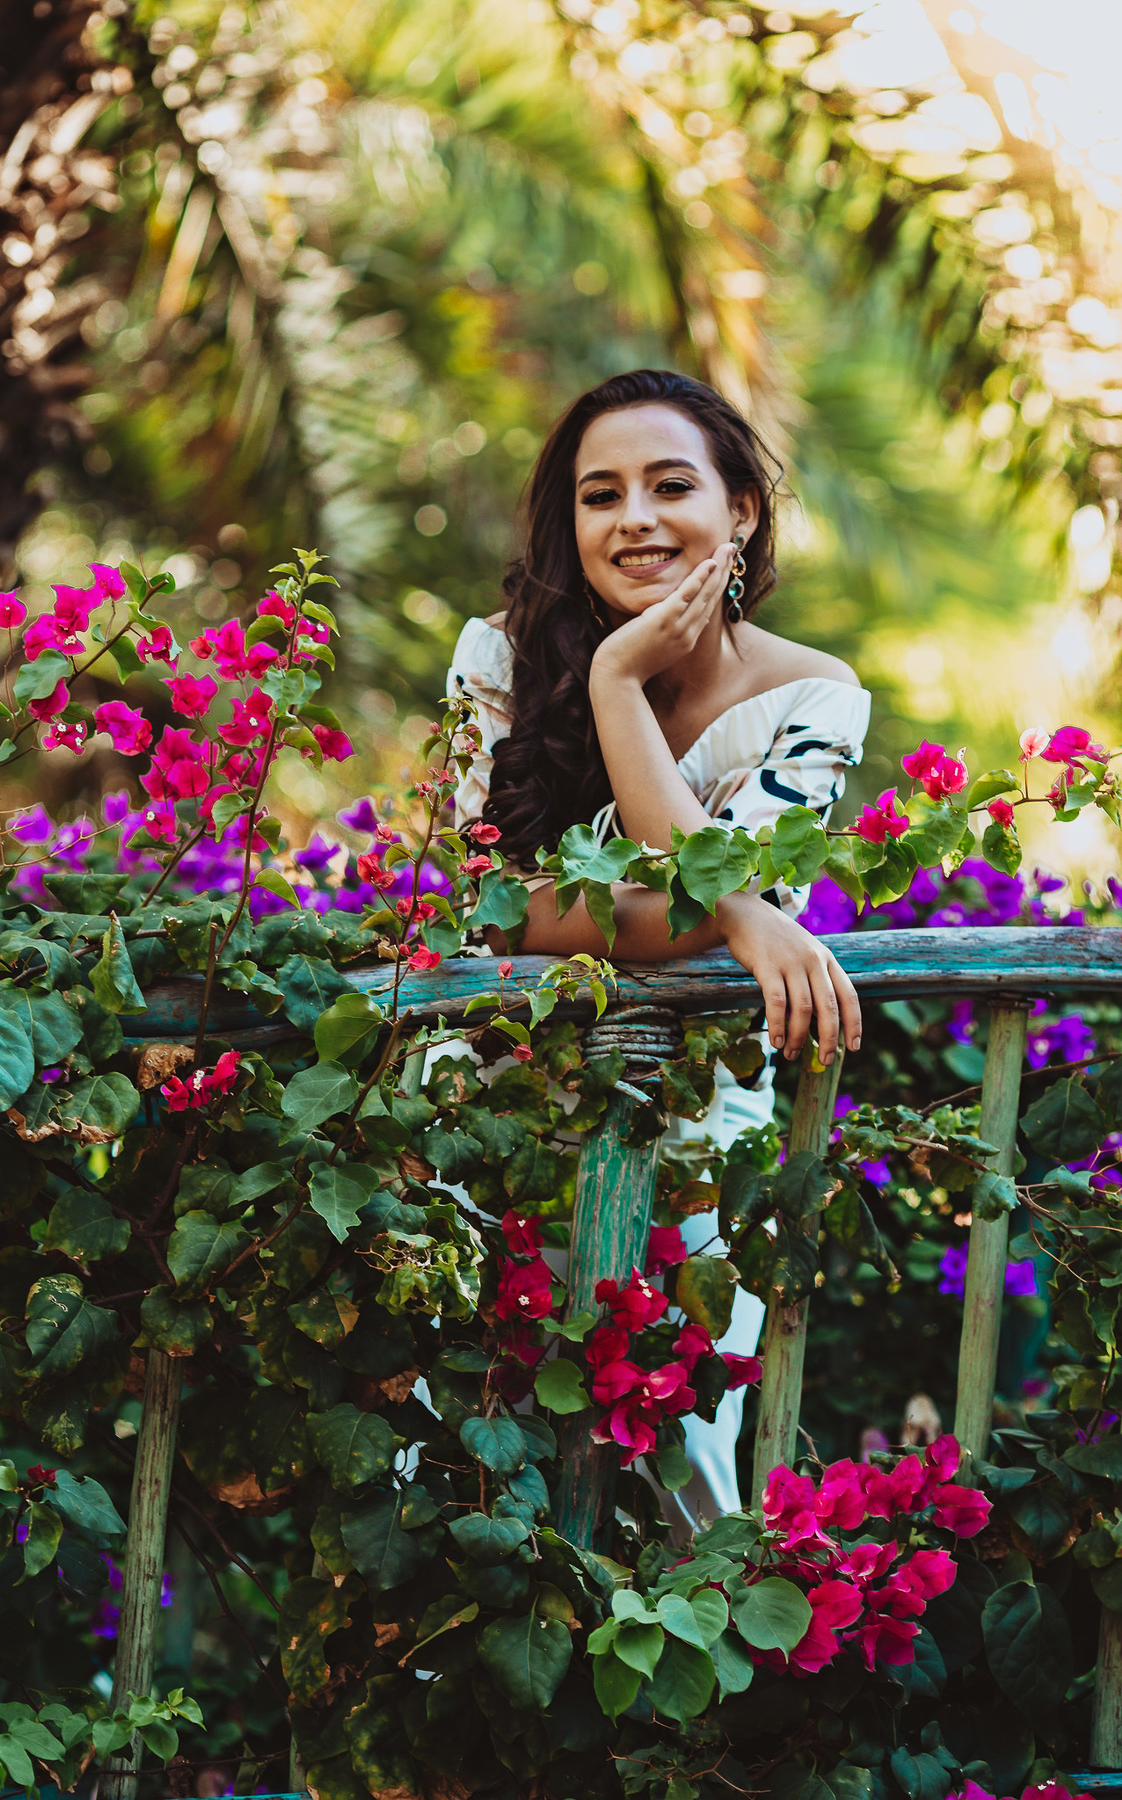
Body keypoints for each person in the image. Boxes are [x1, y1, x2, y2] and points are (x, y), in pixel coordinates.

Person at [446, 367, 871, 1523]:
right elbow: (488, 908)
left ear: (740, 509)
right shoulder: (495, 657)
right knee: (464, 1459)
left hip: (693, 1125)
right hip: (489, 1111)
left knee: (678, 1466)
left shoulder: (817, 698)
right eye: (600, 495)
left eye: (669, 484)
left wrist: (620, 687)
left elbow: (668, 918)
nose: (632, 517)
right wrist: (732, 911)